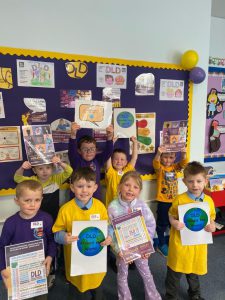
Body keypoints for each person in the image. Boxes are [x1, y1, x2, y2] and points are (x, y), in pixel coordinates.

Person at [52, 167, 112, 300]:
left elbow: (108, 227)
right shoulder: (66, 210)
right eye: (80, 186)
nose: (84, 190)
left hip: (96, 263)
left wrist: (110, 237)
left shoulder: (100, 206)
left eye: (88, 186)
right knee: (76, 293)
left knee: (97, 291)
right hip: (76, 265)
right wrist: (64, 237)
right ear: (72, 188)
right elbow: (57, 233)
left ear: (95, 187)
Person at [165, 161, 216, 300]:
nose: (195, 185)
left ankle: (195, 294)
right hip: (180, 244)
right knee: (174, 272)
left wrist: (212, 226)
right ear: (184, 182)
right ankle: (170, 296)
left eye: (199, 181)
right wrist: (174, 222)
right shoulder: (180, 199)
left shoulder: (209, 201)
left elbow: (211, 217)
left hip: (197, 245)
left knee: (194, 271)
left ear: (205, 181)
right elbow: (171, 214)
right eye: (191, 181)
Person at [108, 171, 161, 300]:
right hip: (122, 250)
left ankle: (153, 297)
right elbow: (110, 230)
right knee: (122, 275)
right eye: (127, 185)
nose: (130, 189)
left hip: (141, 247)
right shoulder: (112, 207)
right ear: (120, 186)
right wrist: (118, 249)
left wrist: (148, 246)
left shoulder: (142, 206)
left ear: (139, 191)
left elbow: (150, 225)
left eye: (135, 187)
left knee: (146, 273)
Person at [0, 180, 57, 300]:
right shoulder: (11, 223)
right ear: (17, 201)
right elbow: (2, 247)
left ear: (42, 199)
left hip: (40, 267)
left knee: (41, 297)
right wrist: (2, 268)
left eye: (37, 200)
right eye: (27, 200)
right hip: (18, 271)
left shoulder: (46, 218)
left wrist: (50, 257)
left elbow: (52, 241)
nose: (33, 204)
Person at [14, 155, 73, 222]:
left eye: (48, 167)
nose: (44, 171)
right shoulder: (32, 181)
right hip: (36, 216)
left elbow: (69, 171)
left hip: (54, 214)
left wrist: (60, 163)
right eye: (40, 168)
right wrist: (22, 168)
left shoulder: (56, 179)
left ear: (52, 168)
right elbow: (17, 178)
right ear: (34, 170)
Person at [153, 146, 188, 257]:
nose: (168, 160)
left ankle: (171, 242)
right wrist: (158, 153)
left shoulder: (175, 167)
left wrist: (183, 154)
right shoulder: (160, 169)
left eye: (171, 157)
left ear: (174, 158)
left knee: (173, 223)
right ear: (162, 157)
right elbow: (155, 163)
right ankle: (161, 244)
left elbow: (184, 163)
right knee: (162, 224)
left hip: (174, 201)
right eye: (165, 157)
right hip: (163, 202)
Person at [68, 122, 114, 200]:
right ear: (79, 151)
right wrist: (73, 135)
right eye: (85, 149)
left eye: (92, 149)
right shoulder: (76, 161)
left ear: (96, 150)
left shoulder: (98, 161)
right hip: (77, 200)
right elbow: (72, 150)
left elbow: (109, 152)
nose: (89, 152)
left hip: (95, 199)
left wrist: (109, 137)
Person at [105, 136, 138, 208]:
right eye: (116, 159)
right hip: (113, 208)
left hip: (127, 206)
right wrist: (111, 143)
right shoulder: (111, 172)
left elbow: (134, 158)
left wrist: (135, 143)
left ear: (126, 162)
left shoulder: (128, 171)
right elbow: (107, 156)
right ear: (112, 161)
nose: (119, 161)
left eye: (122, 159)